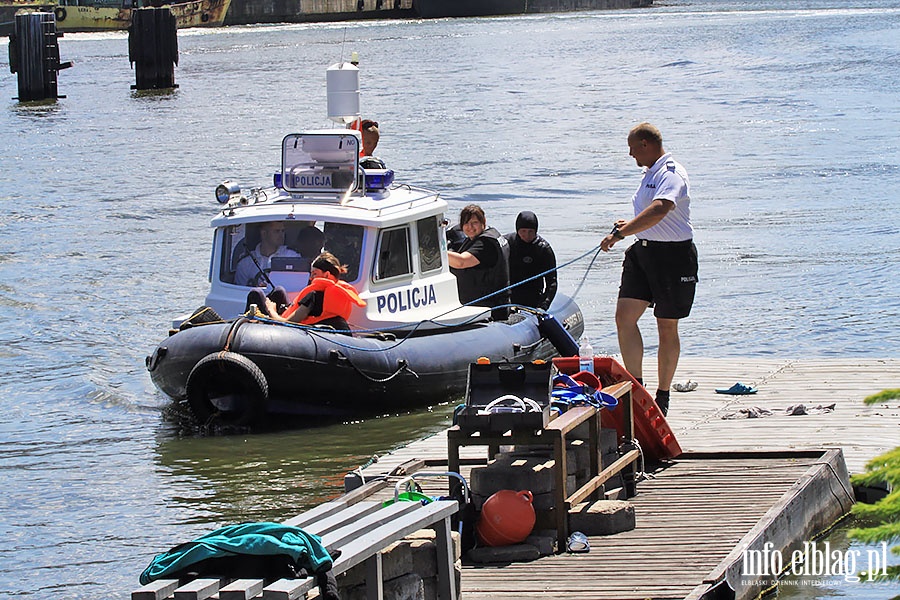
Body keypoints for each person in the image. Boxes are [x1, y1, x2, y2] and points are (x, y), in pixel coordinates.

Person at [600, 122, 698, 416]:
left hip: (674, 256)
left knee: (666, 325)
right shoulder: (649, 174)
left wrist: (622, 233)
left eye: (632, 149)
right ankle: (637, 387)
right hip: (644, 253)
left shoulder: (672, 173)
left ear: (646, 144)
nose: (631, 156)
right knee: (624, 318)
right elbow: (647, 211)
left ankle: (663, 395)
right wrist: (628, 226)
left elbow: (660, 208)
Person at [254, 252, 366, 334]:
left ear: (326, 275)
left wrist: (271, 310)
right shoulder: (339, 292)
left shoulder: (313, 295)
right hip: (321, 326)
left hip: (286, 331)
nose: (311, 278)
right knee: (279, 291)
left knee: (256, 294)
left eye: (314, 274)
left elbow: (288, 323)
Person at [447, 204, 510, 321]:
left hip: (489, 310)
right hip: (490, 306)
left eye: (474, 222)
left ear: (483, 221)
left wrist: (437, 252)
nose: (470, 227)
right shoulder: (492, 235)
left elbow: (461, 262)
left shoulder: (485, 244)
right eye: (466, 223)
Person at [504, 211, 557, 311]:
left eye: (530, 232)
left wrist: (543, 306)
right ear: (517, 229)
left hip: (533, 299)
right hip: (508, 298)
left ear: (536, 231)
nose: (526, 235)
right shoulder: (507, 243)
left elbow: (552, 282)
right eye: (523, 231)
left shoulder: (543, 249)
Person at [234, 221, 300, 288]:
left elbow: (297, 285)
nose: (281, 235)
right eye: (277, 231)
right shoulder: (245, 263)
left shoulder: (292, 257)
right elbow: (240, 290)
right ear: (264, 233)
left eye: (282, 231)